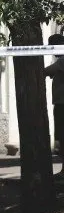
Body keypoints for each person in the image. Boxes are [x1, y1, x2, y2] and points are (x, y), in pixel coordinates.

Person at [49, 34, 64, 169]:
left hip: (61, 105)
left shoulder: (62, 61)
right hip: (60, 103)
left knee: (61, 137)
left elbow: (46, 71)